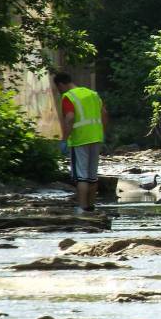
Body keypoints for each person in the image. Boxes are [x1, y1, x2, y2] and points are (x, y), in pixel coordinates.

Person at [53, 72, 107, 214]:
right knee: (92, 176)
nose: (59, 92)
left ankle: (82, 208)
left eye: (58, 89)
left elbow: (70, 118)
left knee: (81, 176)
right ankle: (91, 206)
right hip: (96, 138)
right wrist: (102, 133)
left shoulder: (68, 97)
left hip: (80, 140)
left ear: (60, 85)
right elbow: (104, 113)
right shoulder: (92, 94)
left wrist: (64, 139)